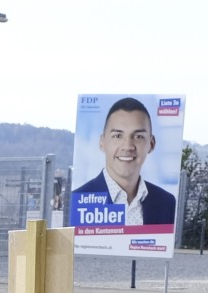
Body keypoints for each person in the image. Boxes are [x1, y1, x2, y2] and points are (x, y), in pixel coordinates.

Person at [70, 97, 177, 228]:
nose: (127, 146)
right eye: (118, 136)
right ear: (102, 142)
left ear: (151, 144)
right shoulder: (77, 200)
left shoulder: (166, 203)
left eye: (138, 137)